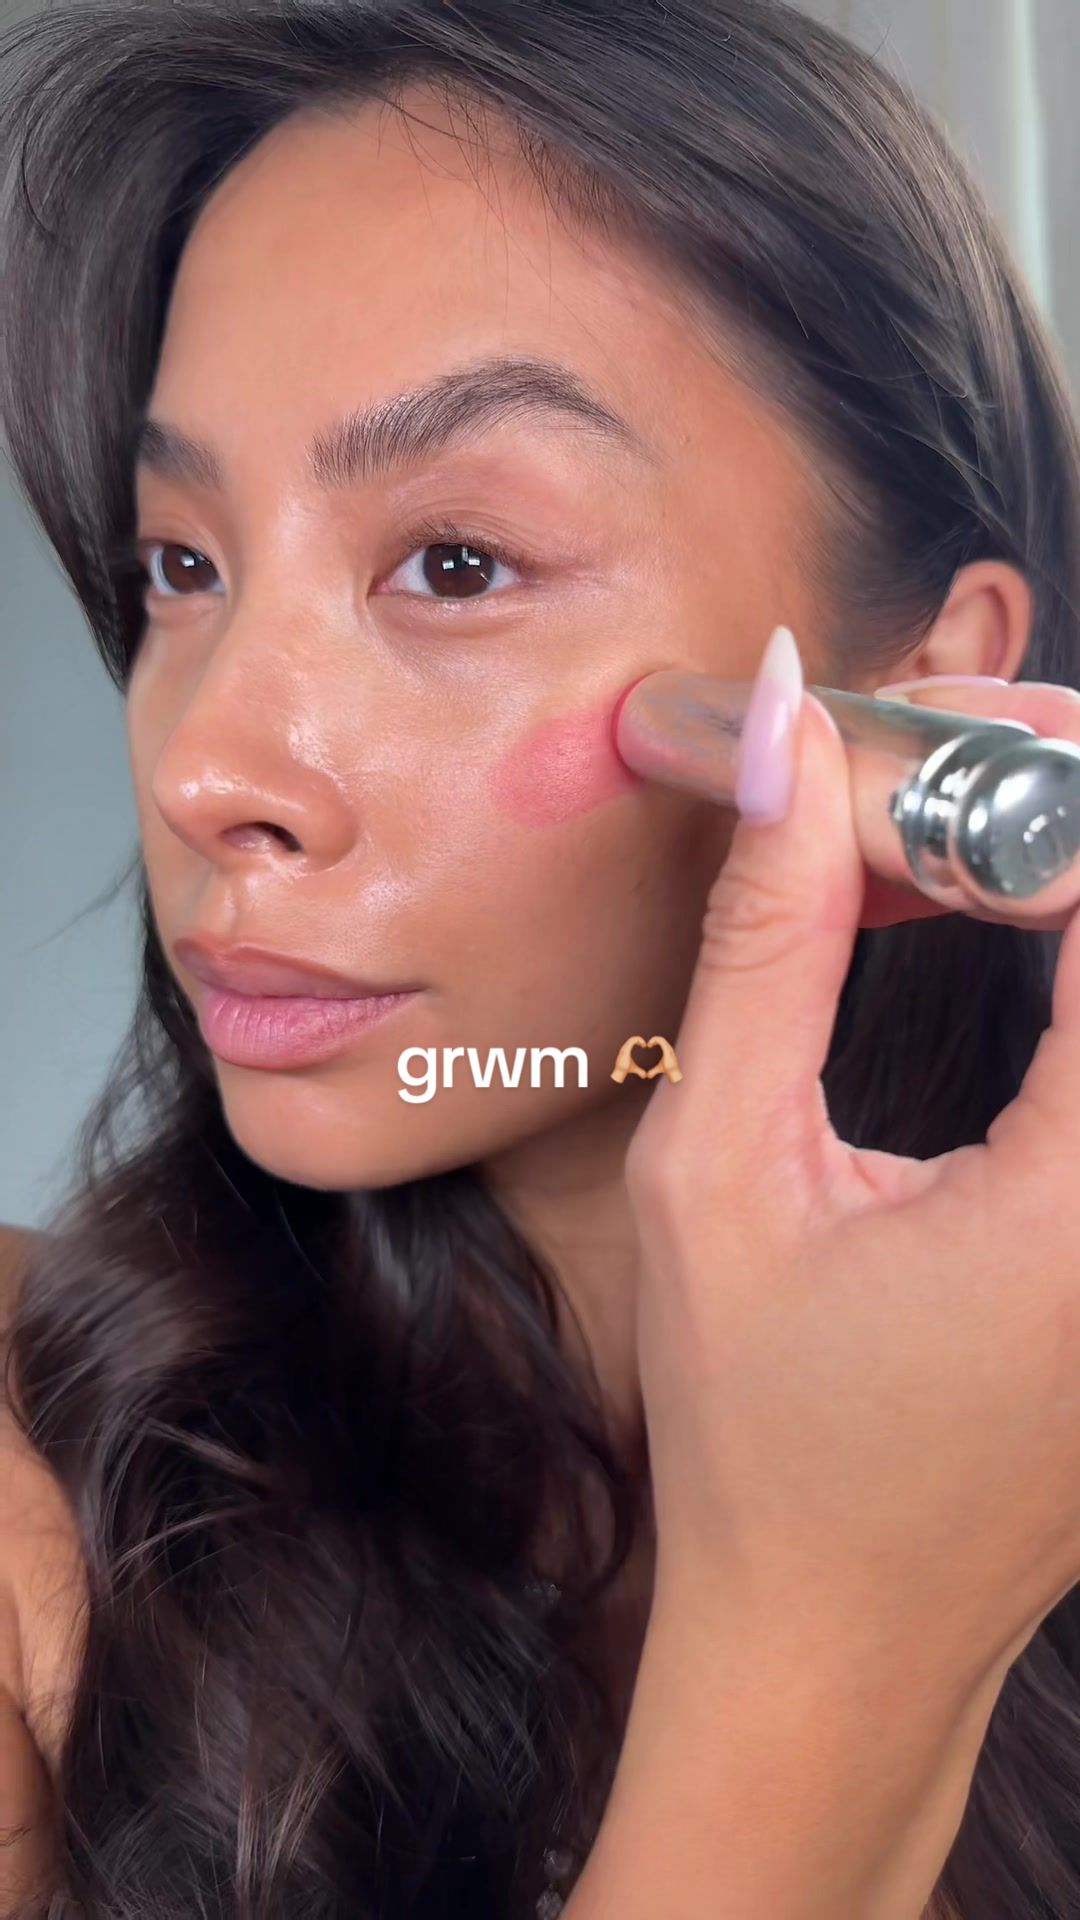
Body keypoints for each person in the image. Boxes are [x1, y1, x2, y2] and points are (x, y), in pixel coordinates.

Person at [3, 1, 1080, 1914]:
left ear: (929, 688)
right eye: (184, 564)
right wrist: (840, 1642)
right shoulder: (31, 1492)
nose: (205, 769)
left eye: (457, 564)